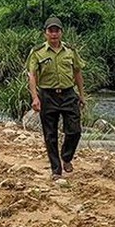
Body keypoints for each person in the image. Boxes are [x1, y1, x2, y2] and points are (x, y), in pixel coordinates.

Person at [27, 16, 86, 180]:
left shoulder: (70, 51)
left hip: (68, 94)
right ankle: (56, 170)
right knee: (50, 135)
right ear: (45, 33)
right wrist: (35, 97)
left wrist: (81, 95)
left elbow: (78, 73)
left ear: (61, 33)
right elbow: (32, 75)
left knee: (75, 131)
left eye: (57, 31)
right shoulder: (37, 52)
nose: (54, 34)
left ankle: (66, 157)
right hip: (47, 95)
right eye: (50, 31)